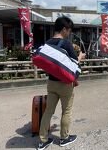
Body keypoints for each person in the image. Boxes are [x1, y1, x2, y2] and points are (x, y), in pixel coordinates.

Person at [37, 17, 86, 150]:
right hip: (64, 85)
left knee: (48, 111)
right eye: (69, 30)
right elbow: (73, 67)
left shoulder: (47, 43)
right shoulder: (66, 44)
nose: (69, 33)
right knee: (66, 112)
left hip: (51, 83)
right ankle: (64, 138)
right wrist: (80, 58)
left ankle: (42, 141)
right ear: (64, 29)